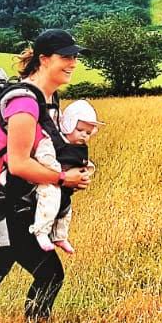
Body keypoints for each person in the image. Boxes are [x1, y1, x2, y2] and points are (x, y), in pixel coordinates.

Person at [0, 29, 91, 323]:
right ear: (44, 59)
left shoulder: (48, 98)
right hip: (4, 204)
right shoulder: (24, 102)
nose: (73, 62)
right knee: (50, 274)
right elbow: (19, 164)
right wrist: (63, 178)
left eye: (74, 56)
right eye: (66, 56)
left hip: (20, 201)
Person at [29, 99, 99, 254]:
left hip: (66, 189)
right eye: (79, 130)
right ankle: (41, 231)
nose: (84, 135)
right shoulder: (55, 141)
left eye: (88, 133)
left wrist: (85, 171)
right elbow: (44, 156)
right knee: (49, 203)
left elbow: (84, 162)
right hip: (51, 182)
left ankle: (59, 236)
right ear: (68, 124)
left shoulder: (80, 148)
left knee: (65, 211)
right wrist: (59, 174)